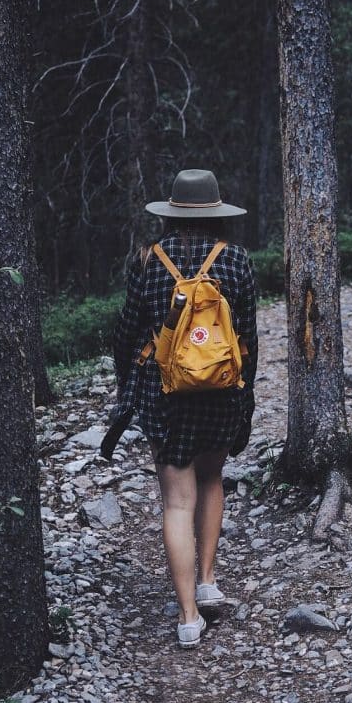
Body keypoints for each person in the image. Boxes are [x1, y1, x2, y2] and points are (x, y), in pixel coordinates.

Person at [113, 169, 258, 649]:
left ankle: (188, 618)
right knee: (212, 478)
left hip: (165, 395)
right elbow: (248, 338)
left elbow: (127, 331)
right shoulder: (236, 259)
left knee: (177, 500)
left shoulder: (148, 261)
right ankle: (208, 579)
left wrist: (125, 388)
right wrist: (246, 393)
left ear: (171, 213)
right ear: (217, 214)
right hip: (221, 390)